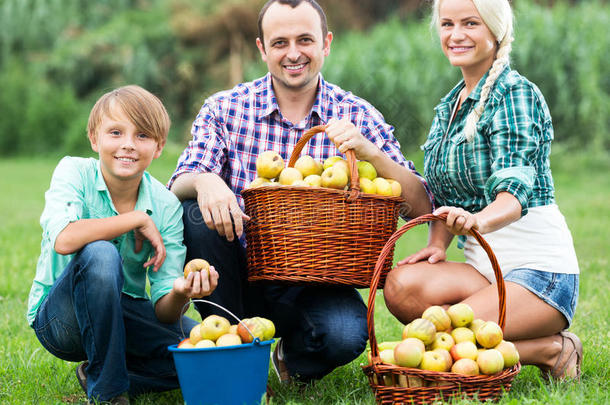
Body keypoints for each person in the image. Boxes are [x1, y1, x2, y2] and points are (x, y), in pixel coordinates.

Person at [169, 0, 432, 383]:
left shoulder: (356, 115)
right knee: (195, 210)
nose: (293, 53)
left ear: (326, 43)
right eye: (280, 43)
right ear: (262, 49)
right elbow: (177, 184)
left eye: (305, 40)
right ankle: (227, 347)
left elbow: (420, 207)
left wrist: (371, 152)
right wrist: (206, 180)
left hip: (314, 278)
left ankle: (291, 359)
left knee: (345, 334)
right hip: (236, 272)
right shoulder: (225, 108)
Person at [383, 0, 582, 381]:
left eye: (470, 23)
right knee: (402, 287)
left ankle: (553, 348)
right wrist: (438, 242)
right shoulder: (449, 106)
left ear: (495, 30)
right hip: (483, 269)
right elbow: (444, 193)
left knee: (444, 342)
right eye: (447, 24)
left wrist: (477, 221)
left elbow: (514, 194)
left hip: (539, 274)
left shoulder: (514, 94)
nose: (456, 35)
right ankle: (530, 338)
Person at [27, 85, 219, 404]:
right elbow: (64, 239)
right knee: (99, 252)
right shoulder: (73, 171)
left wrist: (180, 292)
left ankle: (102, 372)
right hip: (61, 318)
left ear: (158, 147)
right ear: (94, 138)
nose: (128, 145)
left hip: (123, 311)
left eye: (142, 135)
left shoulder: (166, 205)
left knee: (199, 356)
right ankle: (110, 393)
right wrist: (136, 220)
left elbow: (164, 311)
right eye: (115, 132)